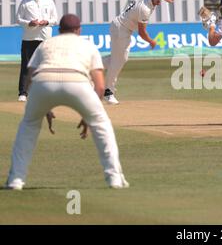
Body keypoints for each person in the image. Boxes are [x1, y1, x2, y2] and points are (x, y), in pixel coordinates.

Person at [5, 14, 129, 190]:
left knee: (29, 125)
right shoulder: (87, 45)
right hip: (78, 82)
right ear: (79, 30)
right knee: (101, 124)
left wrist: (43, 107)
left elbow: (30, 77)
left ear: (59, 30)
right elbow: (100, 87)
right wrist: (89, 115)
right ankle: (114, 179)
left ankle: (15, 180)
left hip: (43, 83)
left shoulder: (46, 44)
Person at [102, 0, 174, 104]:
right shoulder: (144, 9)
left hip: (121, 27)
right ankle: (108, 92)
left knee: (117, 59)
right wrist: (151, 41)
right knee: (119, 60)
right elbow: (141, 32)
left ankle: (91, 64)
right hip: (121, 29)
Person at [16, 0, 58, 102]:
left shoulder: (49, 1)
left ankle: (46, 91)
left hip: (45, 38)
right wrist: (29, 23)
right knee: (26, 66)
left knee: (46, 65)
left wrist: (46, 22)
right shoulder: (25, 1)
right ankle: (23, 93)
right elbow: (18, 19)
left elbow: (55, 20)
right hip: (29, 38)